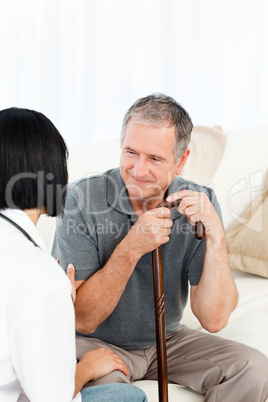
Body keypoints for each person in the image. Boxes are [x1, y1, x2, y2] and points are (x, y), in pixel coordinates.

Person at [52, 94, 268, 401]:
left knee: (254, 369)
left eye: (154, 158)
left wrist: (217, 237)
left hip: (167, 340)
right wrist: (132, 247)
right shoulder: (80, 200)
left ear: (181, 161)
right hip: (94, 343)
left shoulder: (199, 201)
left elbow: (214, 320)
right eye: (131, 152)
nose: (138, 170)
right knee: (116, 396)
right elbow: (83, 319)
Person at [0, 107, 148, 402]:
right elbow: (53, 397)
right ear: (54, 173)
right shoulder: (43, 281)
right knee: (129, 397)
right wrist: (88, 367)